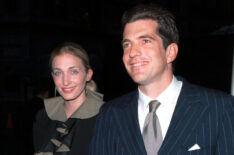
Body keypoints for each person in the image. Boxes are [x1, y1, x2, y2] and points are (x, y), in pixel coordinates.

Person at [89, 3, 234, 155]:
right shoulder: (109, 114)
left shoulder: (219, 108)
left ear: (170, 52)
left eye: (145, 41)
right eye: (127, 44)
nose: (132, 52)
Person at [33, 42, 104, 155]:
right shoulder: (43, 117)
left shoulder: (106, 117)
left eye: (74, 71)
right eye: (58, 73)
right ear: (52, 76)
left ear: (88, 74)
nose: (65, 81)